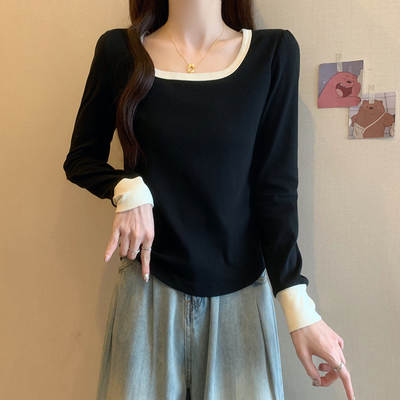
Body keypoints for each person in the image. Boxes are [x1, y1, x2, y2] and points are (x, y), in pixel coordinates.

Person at [63, 1, 355, 399]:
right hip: (147, 290)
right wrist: (128, 188)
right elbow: (81, 159)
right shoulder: (119, 51)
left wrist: (299, 308)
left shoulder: (272, 54)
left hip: (241, 299)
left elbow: (276, 189)